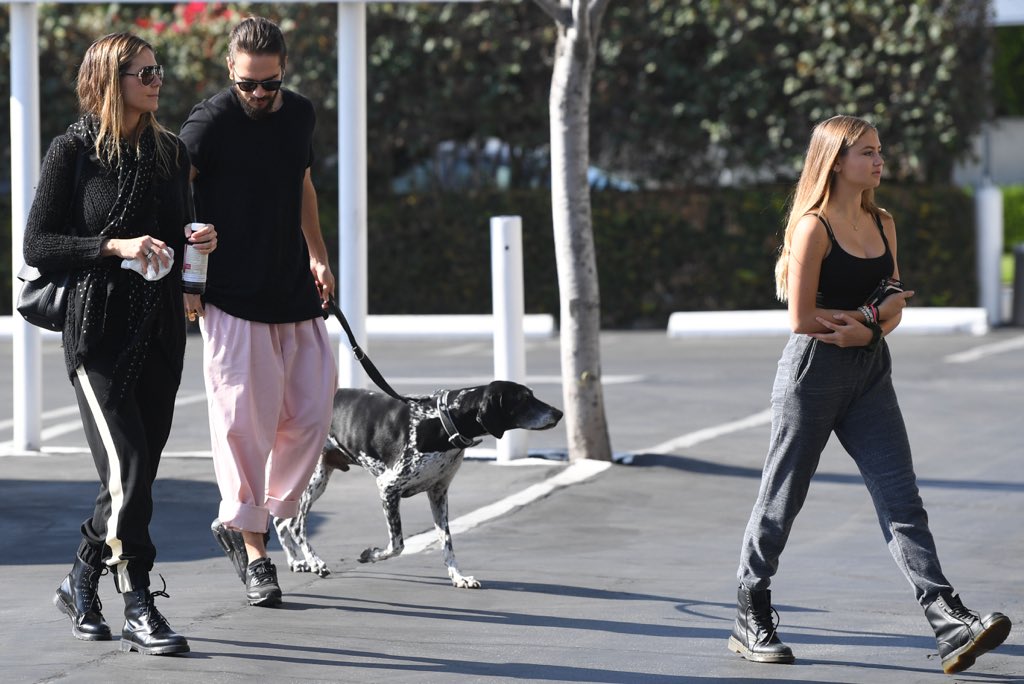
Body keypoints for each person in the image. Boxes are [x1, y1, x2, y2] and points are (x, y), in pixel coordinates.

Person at [728, 115, 1012, 675]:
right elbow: (801, 318)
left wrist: (873, 327)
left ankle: (948, 619)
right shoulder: (813, 227)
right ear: (836, 161)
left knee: (902, 501)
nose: (880, 161)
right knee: (781, 500)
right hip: (814, 373)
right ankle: (750, 610)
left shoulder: (883, 221)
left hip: (870, 372)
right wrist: (868, 318)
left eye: (880, 151)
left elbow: (897, 299)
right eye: (868, 153)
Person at [23, 33, 217, 655]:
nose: (157, 80)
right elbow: (38, 244)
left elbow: (177, 231)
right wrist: (113, 245)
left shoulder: (168, 150)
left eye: (158, 70)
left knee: (133, 479)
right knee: (130, 468)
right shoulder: (73, 150)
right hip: (97, 332)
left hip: (160, 330)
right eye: (144, 73)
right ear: (111, 80)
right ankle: (138, 602)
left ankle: (81, 575)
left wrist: (199, 243)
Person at [179, 15, 338, 608]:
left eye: (269, 83)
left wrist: (319, 256)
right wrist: (186, 275)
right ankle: (254, 550)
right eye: (248, 84)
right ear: (230, 72)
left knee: (311, 413)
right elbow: (174, 189)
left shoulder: (298, 114)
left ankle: (251, 514)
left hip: (292, 286)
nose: (259, 95)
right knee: (243, 425)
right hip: (234, 296)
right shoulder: (210, 120)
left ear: (284, 71)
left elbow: (301, 184)